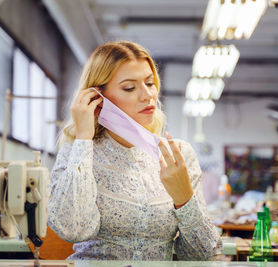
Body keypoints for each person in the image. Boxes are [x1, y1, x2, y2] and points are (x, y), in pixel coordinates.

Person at [48, 40, 222, 261]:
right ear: (97, 97)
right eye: (129, 87)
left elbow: (202, 254)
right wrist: (84, 138)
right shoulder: (78, 153)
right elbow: (72, 229)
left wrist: (184, 198)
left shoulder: (177, 155)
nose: (147, 95)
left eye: (150, 83)